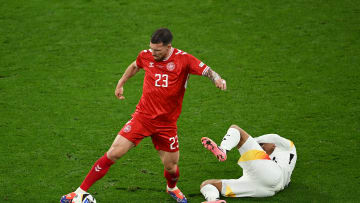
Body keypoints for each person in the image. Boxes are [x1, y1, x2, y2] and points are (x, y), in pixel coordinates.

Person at [60, 28, 227, 203]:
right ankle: (79, 192)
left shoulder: (184, 60)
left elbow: (207, 70)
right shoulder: (146, 55)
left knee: (171, 167)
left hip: (167, 125)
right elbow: (135, 65)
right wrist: (121, 82)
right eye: (151, 49)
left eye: (158, 50)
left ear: (168, 46)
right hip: (143, 118)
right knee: (113, 153)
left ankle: (172, 188)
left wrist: (217, 79)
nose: (153, 53)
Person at [199, 124, 297, 203]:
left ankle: (223, 149)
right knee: (206, 184)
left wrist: (250, 141)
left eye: (262, 144)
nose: (260, 147)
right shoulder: (274, 160)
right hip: (263, 189)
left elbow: (273, 137)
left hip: (274, 176)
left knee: (235, 129)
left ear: (274, 144)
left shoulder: (287, 147)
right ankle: (214, 200)